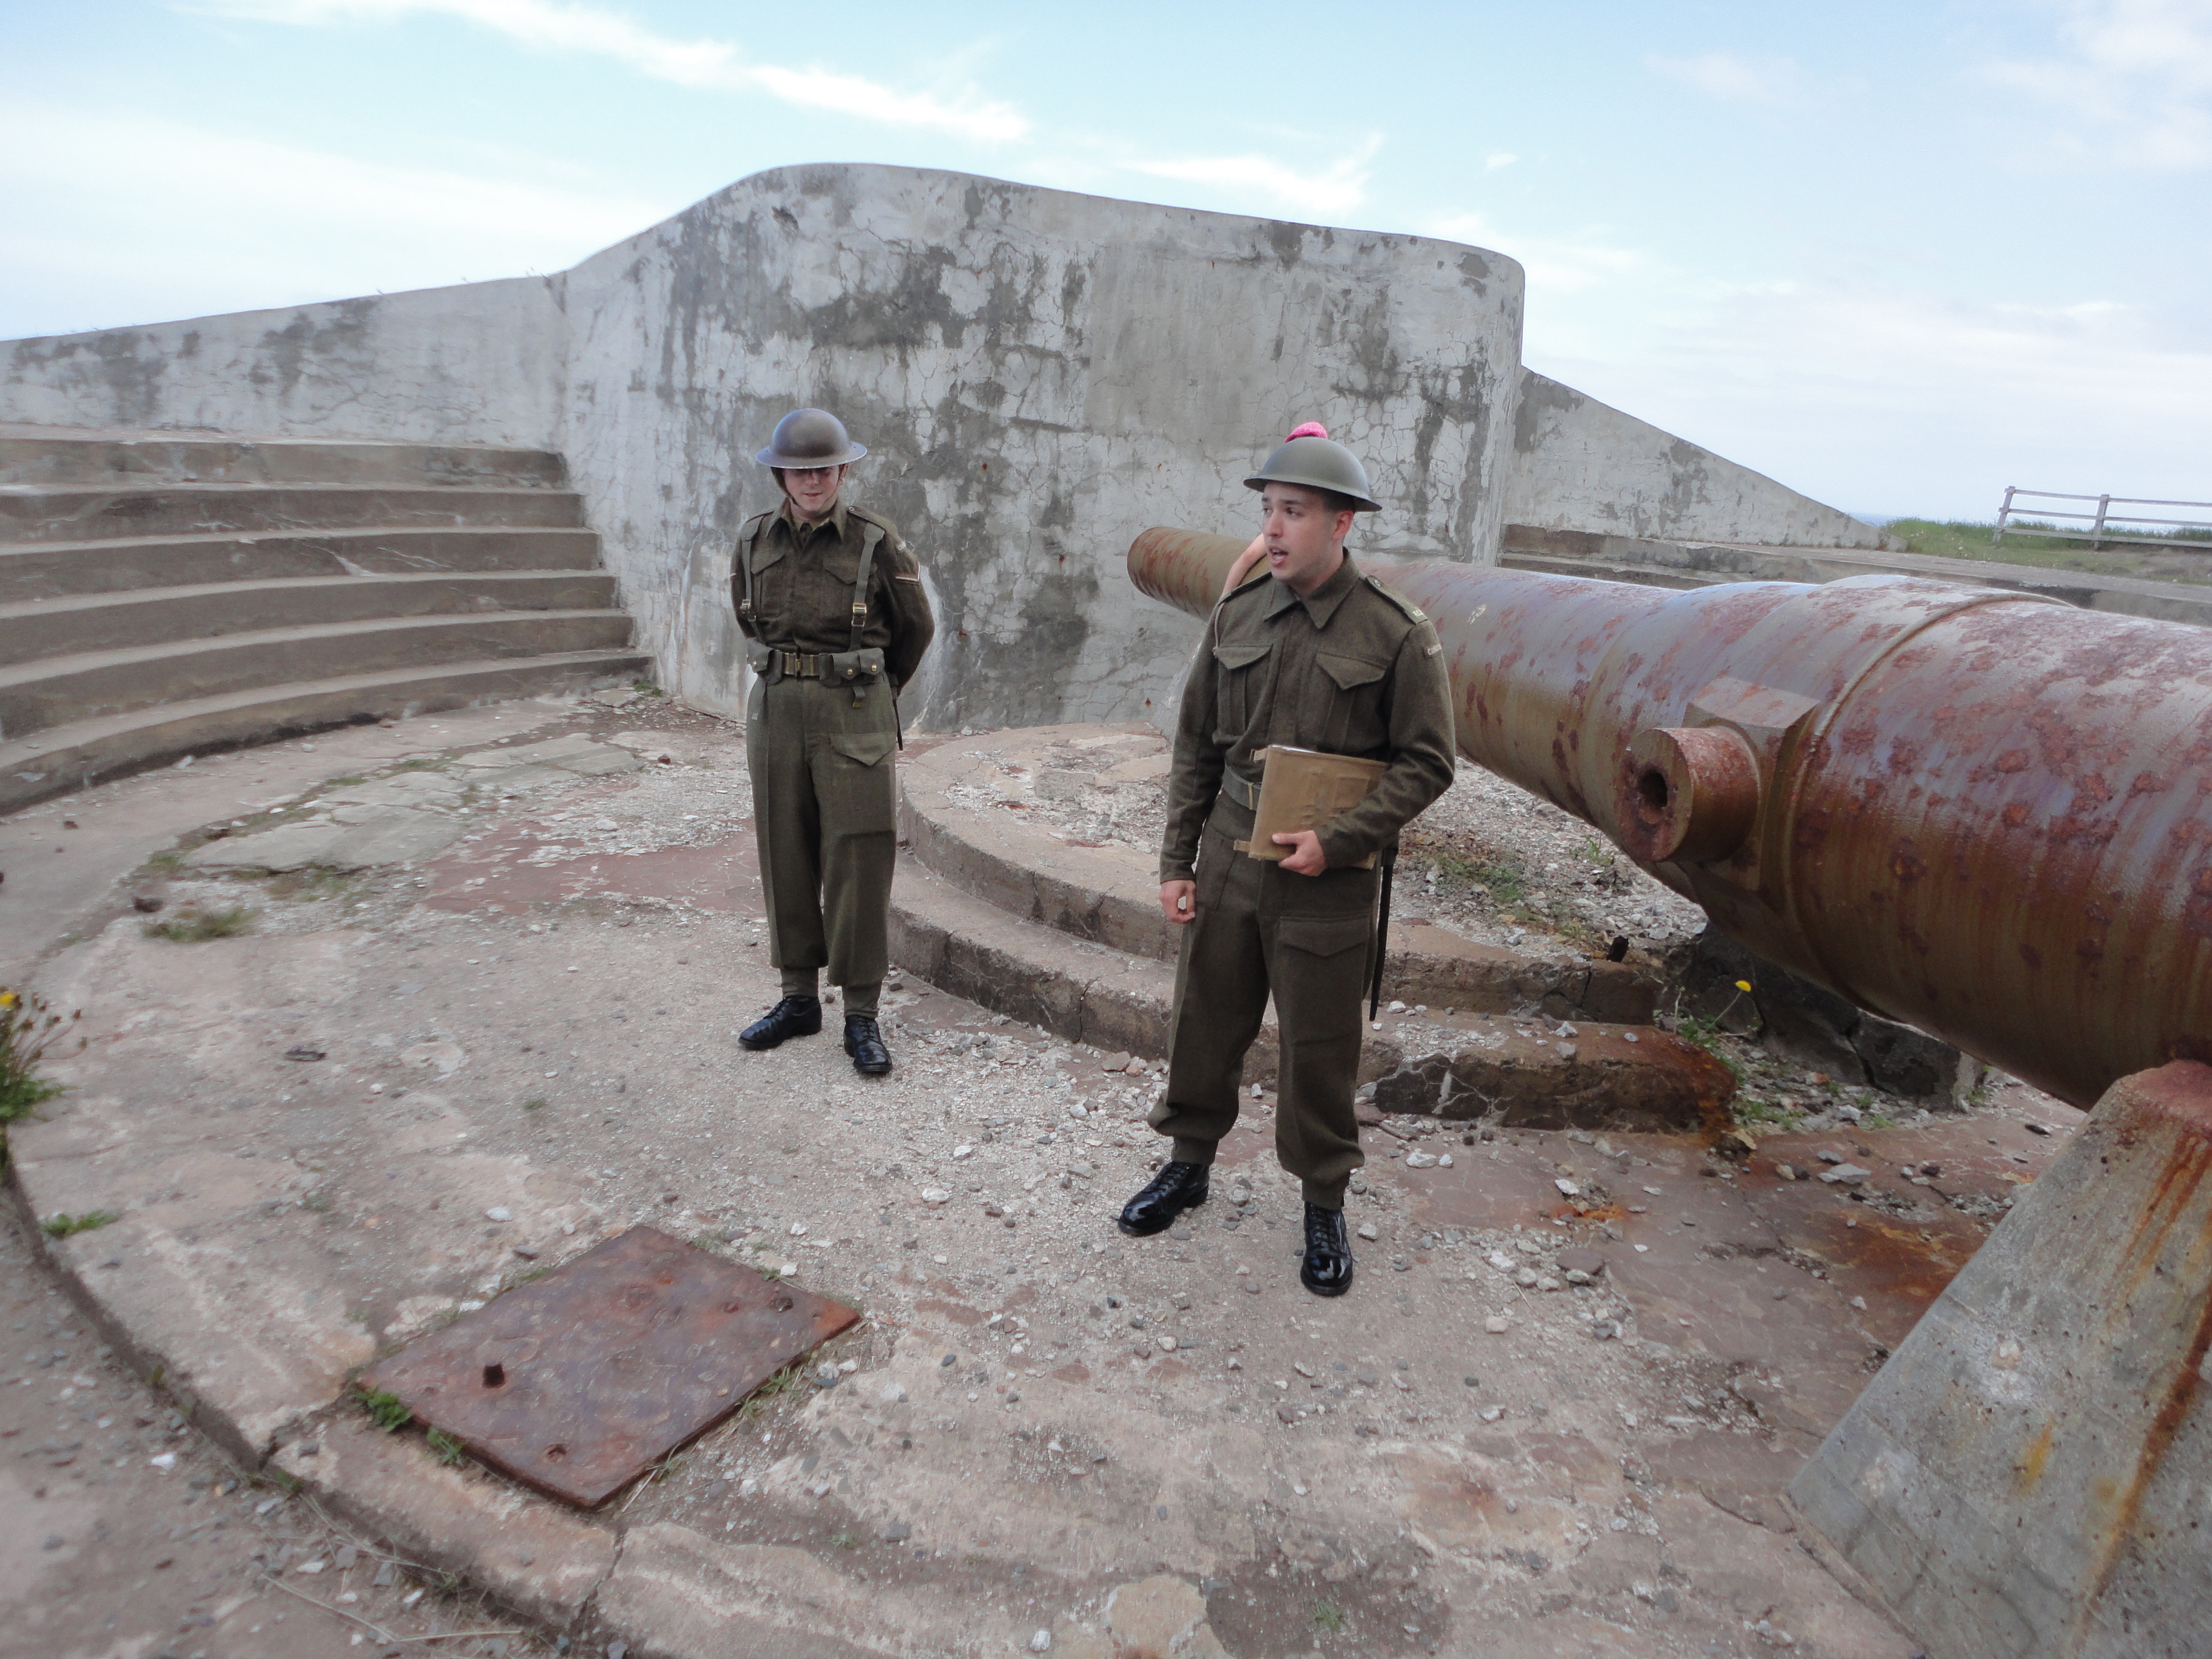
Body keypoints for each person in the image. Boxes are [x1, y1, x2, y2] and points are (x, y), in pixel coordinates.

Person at [1115, 428, 1456, 1295]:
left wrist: (1340, 841)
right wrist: (1176, 861)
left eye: (1293, 513)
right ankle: (1189, 1164)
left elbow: (1428, 763)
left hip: (1326, 878)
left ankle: (1322, 1204)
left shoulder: (1396, 636)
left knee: (1320, 1047)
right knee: (1205, 1020)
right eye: (1267, 510)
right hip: (1231, 851)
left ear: (1341, 524)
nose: (1273, 529)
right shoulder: (1239, 612)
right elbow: (1195, 744)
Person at [730, 408, 934, 1075]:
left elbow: (915, 628)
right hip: (778, 709)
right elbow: (746, 615)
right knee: (783, 850)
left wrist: (873, 693)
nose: (812, 479)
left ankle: (861, 1014)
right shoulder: (754, 538)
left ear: (843, 470)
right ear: (780, 474)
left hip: (854, 710)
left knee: (858, 858)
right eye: (799, 469)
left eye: (824, 468)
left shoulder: (877, 542)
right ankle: (797, 999)